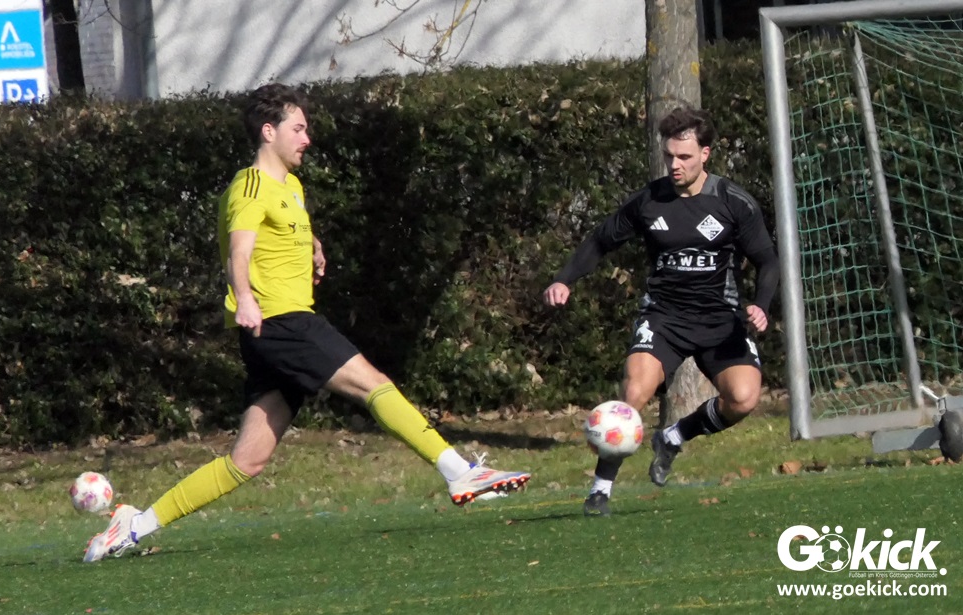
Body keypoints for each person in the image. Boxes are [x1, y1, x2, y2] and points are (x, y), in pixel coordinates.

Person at [83, 83, 531, 562]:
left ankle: (134, 524)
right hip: (281, 322)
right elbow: (239, 252)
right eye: (297, 129)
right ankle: (458, 471)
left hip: (274, 330)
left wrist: (311, 249)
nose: (307, 139)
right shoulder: (250, 186)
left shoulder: (291, 188)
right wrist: (245, 298)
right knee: (374, 385)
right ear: (268, 131)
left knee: (246, 461)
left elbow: (283, 232)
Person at [543, 106, 778, 517]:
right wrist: (564, 279)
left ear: (705, 154)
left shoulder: (733, 202)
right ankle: (600, 491)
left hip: (720, 320)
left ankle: (673, 436)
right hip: (664, 318)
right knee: (634, 394)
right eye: (669, 156)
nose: (675, 165)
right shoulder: (648, 201)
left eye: (684, 156)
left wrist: (761, 304)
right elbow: (599, 241)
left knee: (742, 399)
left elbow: (768, 260)